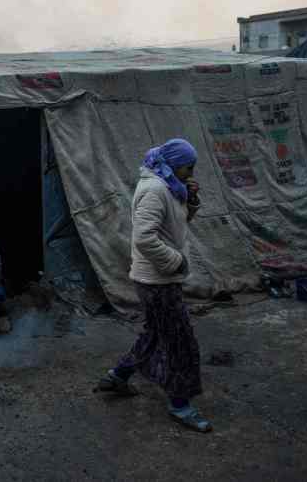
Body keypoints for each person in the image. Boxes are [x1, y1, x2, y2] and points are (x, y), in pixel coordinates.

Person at [95, 138, 212, 433]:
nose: (192, 171)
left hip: (158, 277)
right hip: (157, 280)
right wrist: (175, 261)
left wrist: (191, 199)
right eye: (189, 166)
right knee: (180, 342)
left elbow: (178, 223)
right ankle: (180, 404)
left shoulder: (170, 186)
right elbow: (144, 238)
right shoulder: (154, 190)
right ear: (173, 163)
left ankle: (118, 376)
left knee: (155, 334)